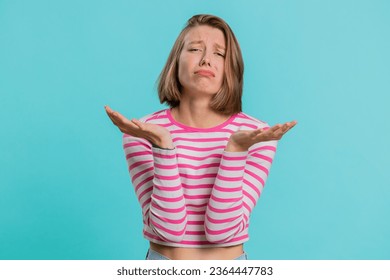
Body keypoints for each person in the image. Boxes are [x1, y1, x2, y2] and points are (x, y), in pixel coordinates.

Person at [105, 14, 296, 260]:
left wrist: (236, 149)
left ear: (231, 68)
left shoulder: (257, 135)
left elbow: (221, 232)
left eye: (219, 54)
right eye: (195, 49)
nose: (206, 60)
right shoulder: (143, 132)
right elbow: (168, 230)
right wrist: (163, 144)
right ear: (176, 61)